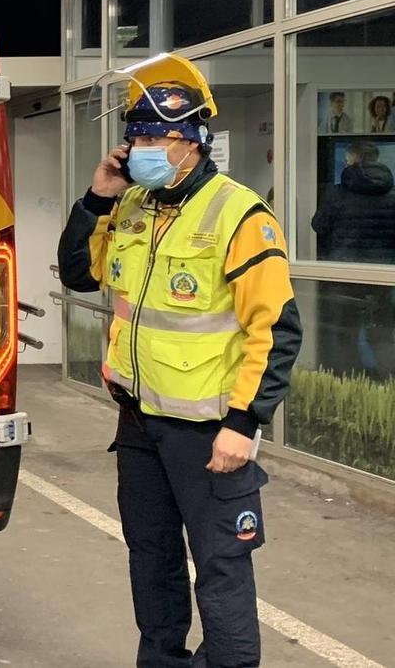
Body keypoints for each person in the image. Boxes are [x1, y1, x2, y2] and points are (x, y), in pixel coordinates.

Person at [58, 53, 302, 667]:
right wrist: (96, 197)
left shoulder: (237, 213)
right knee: (152, 558)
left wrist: (243, 424)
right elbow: (79, 274)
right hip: (139, 423)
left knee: (220, 567)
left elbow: (274, 328)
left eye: (156, 136)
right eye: (134, 135)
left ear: (193, 141)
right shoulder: (135, 205)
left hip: (207, 430)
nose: (141, 146)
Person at [312, 140, 395, 263]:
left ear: (351, 163)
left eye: (346, 161)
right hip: (385, 269)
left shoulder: (336, 193)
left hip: (344, 267)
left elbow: (319, 226)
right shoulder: (392, 194)